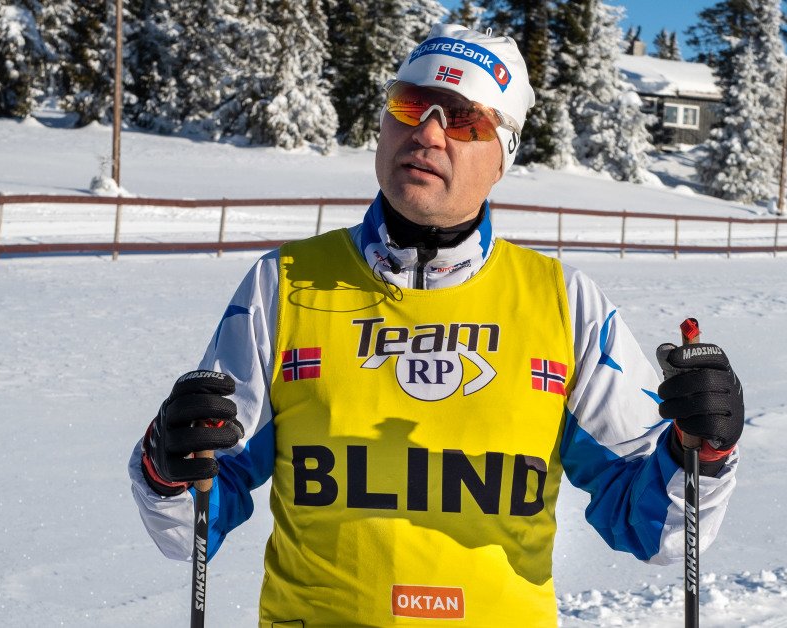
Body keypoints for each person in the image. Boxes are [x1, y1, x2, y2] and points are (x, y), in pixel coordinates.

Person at [129, 23, 744, 627]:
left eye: (464, 118)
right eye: (411, 103)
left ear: (503, 155)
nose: (427, 132)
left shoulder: (564, 305)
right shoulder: (285, 285)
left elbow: (654, 528)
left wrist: (701, 450)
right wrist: (169, 467)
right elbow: (193, 525)